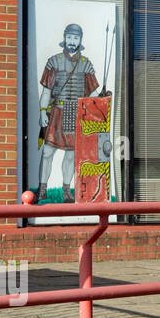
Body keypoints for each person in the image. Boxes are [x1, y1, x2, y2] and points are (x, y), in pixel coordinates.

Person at [36, 23, 105, 203]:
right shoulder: (54, 61)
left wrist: (103, 97)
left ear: (80, 40)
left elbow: (92, 94)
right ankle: (42, 189)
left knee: (71, 155)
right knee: (47, 153)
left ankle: (66, 191)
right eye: (69, 37)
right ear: (64, 38)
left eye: (75, 38)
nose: (72, 42)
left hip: (76, 114)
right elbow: (46, 92)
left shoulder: (86, 65)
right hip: (57, 113)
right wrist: (43, 112)